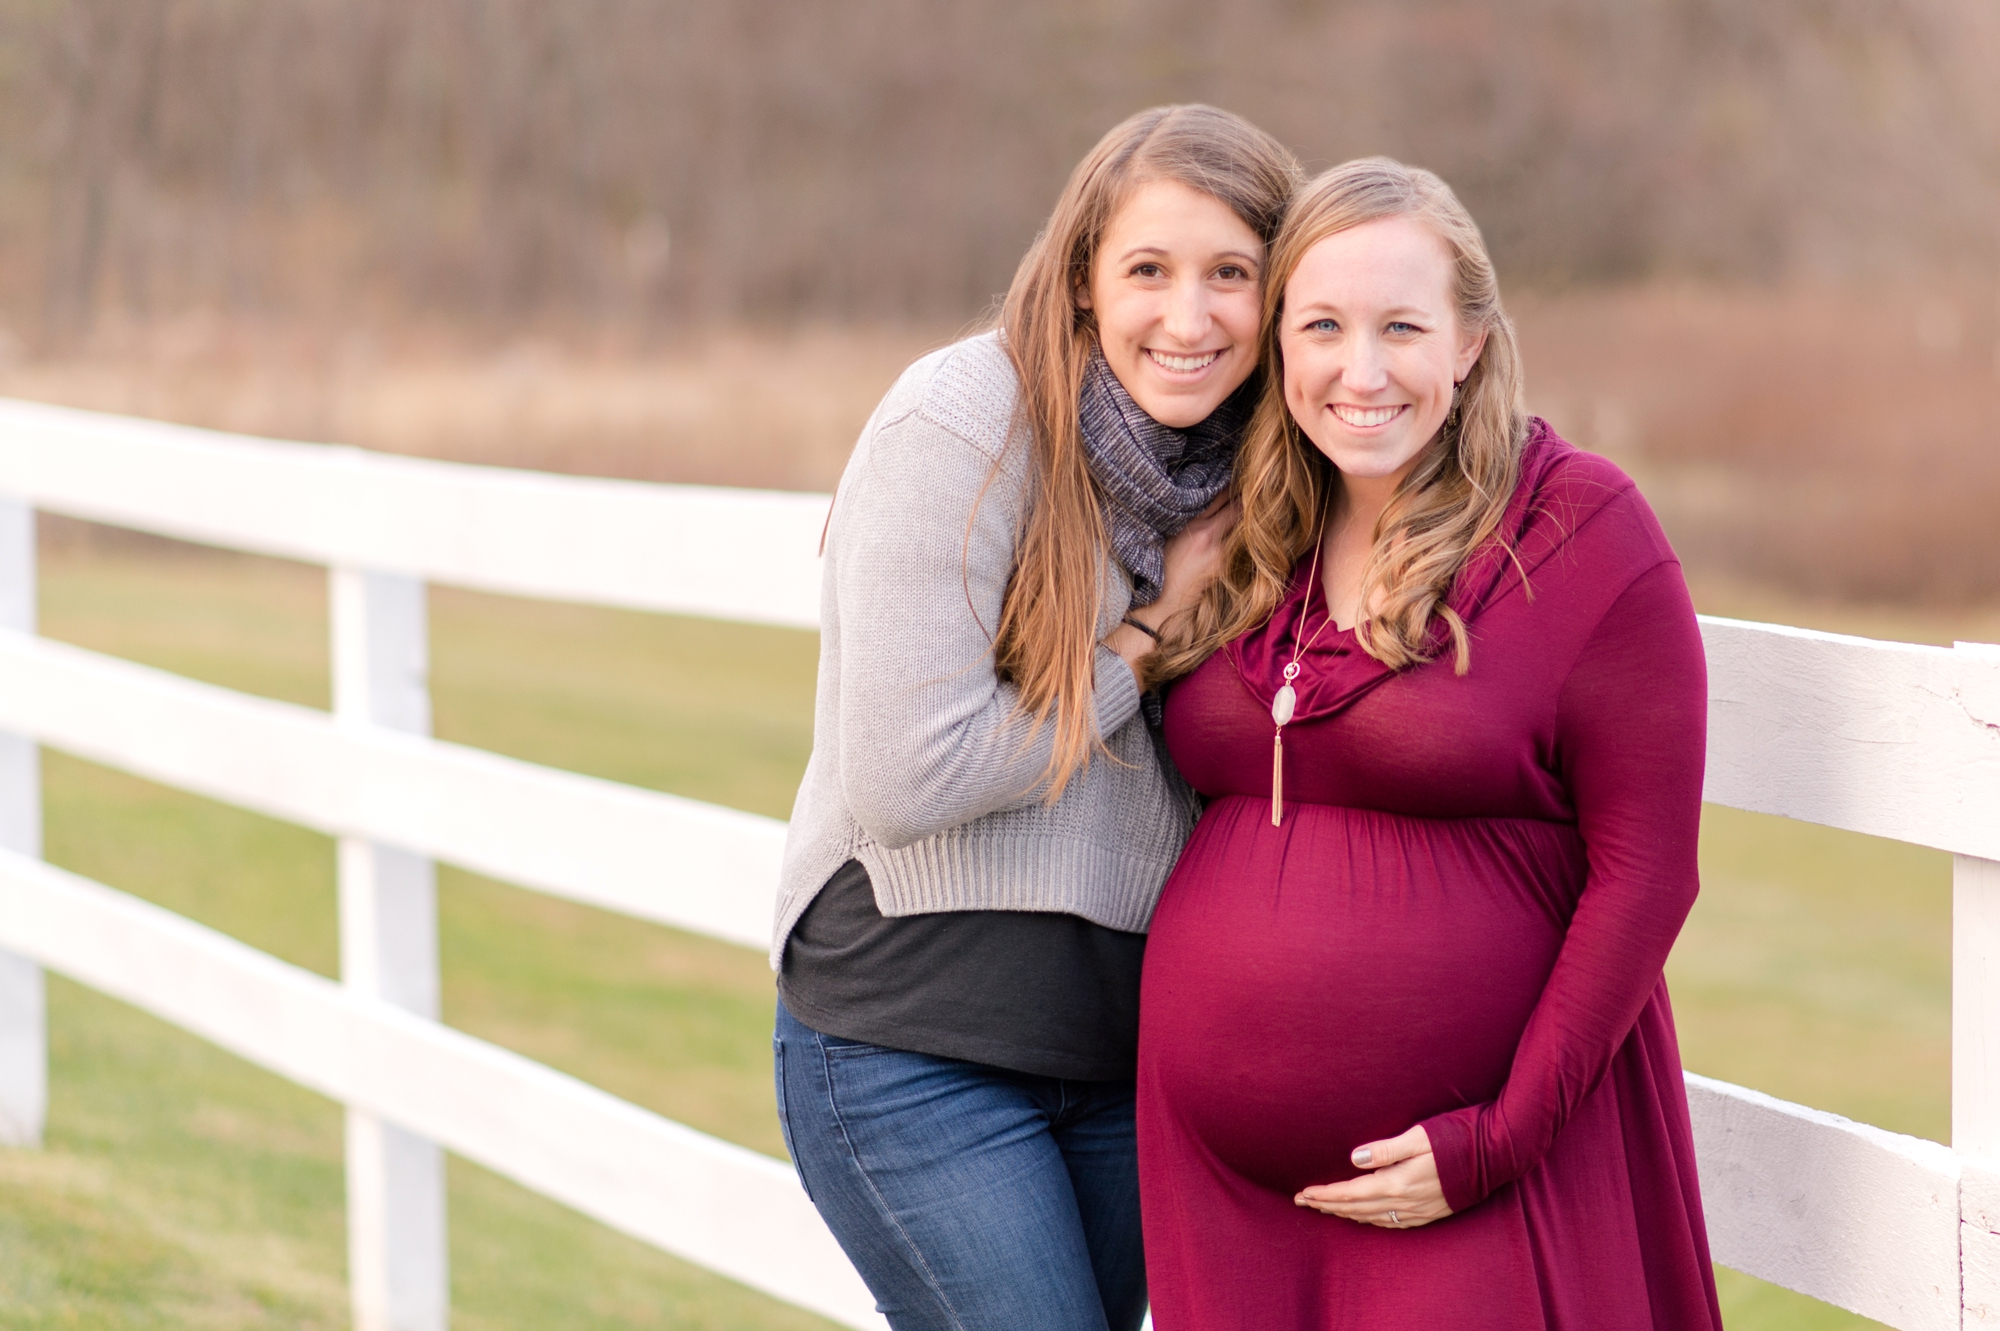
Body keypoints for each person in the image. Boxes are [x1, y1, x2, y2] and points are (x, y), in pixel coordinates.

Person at [1137, 157, 1722, 1330]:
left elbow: (1646, 870)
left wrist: (1496, 1139)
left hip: (1469, 1182)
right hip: (1222, 1191)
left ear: (1467, 342)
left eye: (1401, 326)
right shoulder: (1248, 538)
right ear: (1281, 349)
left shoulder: (1576, 530)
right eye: (1322, 327)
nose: (1361, 371)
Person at [769, 105, 1301, 1331]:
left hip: (1130, 1054)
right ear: (1079, 282)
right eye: (1149, 270)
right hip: (911, 1036)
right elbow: (908, 772)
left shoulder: (1268, 470)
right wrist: (1150, 634)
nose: (1190, 316)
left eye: (1231, 273)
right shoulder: (962, 418)